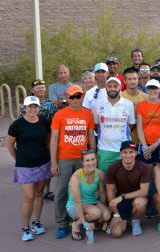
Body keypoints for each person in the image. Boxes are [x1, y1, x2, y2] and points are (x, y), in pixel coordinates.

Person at [50, 85, 96, 239]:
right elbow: (54, 139)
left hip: (82, 158)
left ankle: (78, 219)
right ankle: (62, 224)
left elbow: (90, 136)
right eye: (72, 96)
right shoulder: (60, 115)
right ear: (67, 98)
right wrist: (53, 162)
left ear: (82, 96)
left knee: (82, 190)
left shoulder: (87, 114)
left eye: (78, 96)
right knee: (62, 191)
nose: (76, 99)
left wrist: (93, 156)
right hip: (64, 158)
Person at [8, 96, 54, 241]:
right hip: (25, 166)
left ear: (38, 108)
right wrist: (18, 159)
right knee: (29, 197)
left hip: (42, 163)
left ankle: (36, 222)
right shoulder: (17, 125)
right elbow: (10, 144)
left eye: (35, 106)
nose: (33, 109)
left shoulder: (44, 122)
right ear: (25, 108)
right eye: (30, 106)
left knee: (39, 194)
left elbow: (48, 140)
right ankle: (25, 227)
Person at [106, 141, 151, 237]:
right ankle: (123, 218)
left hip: (136, 198)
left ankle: (135, 220)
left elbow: (144, 192)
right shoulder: (113, 168)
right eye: (125, 152)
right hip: (120, 202)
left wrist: (123, 196)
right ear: (121, 153)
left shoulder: (144, 167)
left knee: (141, 202)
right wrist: (116, 214)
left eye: (131, 152)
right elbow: (110, 192)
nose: (128, 155)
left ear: (135, 153)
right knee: (116, 234)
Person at [93, 77, 136, 174]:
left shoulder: (128, 104)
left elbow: (132, 124)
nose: (112, 89)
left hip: (124, 149)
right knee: (104, 180)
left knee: (124, 179)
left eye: (115, 86)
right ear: (106, 88)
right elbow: (96, 125)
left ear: (120, 88)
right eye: (109, 86)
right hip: (104, 149)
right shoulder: (98, 105)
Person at [66, 150, 110, 242]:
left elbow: (102, 193)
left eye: (93, 159)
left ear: (96, 159)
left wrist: (103, 208)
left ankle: (93, 220)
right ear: (82, 162)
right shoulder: (76, 177)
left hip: (93, 201)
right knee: (96, 213)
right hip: (75, 205)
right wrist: (84, 223)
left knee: (106, 216)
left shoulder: (99, 173)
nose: (91, 163)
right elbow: (77, 202)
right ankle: (77, 225)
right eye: (87, 160)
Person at [136, 79, 160, 165]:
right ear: (146, 90)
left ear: (159, 90)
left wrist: (156, 144)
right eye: (150, 88)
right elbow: (139, 128)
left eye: (155, 88)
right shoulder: (141, 105)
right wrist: (145, 147)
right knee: (146, 170)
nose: (152, 91)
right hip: (145, 144)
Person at [121, 68, 148, 144]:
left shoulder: (146, 97)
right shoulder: (120, 98)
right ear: (125, 81)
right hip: (125, 140)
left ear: (138, 80)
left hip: (143, 140)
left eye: (134, 79)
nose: (132, 81)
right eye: (129, 79)